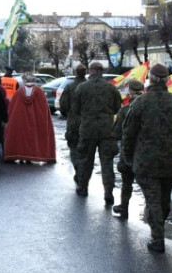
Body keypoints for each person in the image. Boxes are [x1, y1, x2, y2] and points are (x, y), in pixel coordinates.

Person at [121, 63, 172, 253]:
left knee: (154, 200)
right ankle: (158, 227)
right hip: (170, 161)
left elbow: (128, 133)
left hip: (145, 161)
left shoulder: (140, 103)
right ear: (167, 80)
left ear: (150, 79)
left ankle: (158, 238)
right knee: (162, 200)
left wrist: (127, 157)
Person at [73, 61, 122, 202]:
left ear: (91, 71)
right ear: (102, 71)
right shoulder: (111, 88)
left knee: (85, 160)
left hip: (88, 128)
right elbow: (117, 108)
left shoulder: (82, 87)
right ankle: (108, 193)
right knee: (107, 162)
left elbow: (75, 109)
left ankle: (83, 188)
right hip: (106, 129)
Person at [3, 72, 57, 165]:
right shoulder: (39, 92)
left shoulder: (19, 92)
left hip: (20, 120)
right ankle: (32, 155)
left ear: (24, 80)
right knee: (33, 137)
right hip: (36, 121)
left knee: (21, 137)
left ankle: (20, 155)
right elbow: (44, 110)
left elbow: (12, 108)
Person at [110, 80, 145, 219]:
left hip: (129, 152)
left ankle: (124, 207)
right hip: (147, 153)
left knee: (127, 182)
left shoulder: (125, 110)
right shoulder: (149, 106)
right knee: (148, 185)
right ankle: (151, 211)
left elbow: (116, 133)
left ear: (130, 92)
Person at [59, 64, 87, 174]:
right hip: (88, 122)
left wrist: (68, 115)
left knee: (74, 147)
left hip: (74, 122)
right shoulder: (89, 86)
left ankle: (78, 168)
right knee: (86, 149)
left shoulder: (70, 87)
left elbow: (63, 105)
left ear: (76, 72)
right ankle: (83, 170)